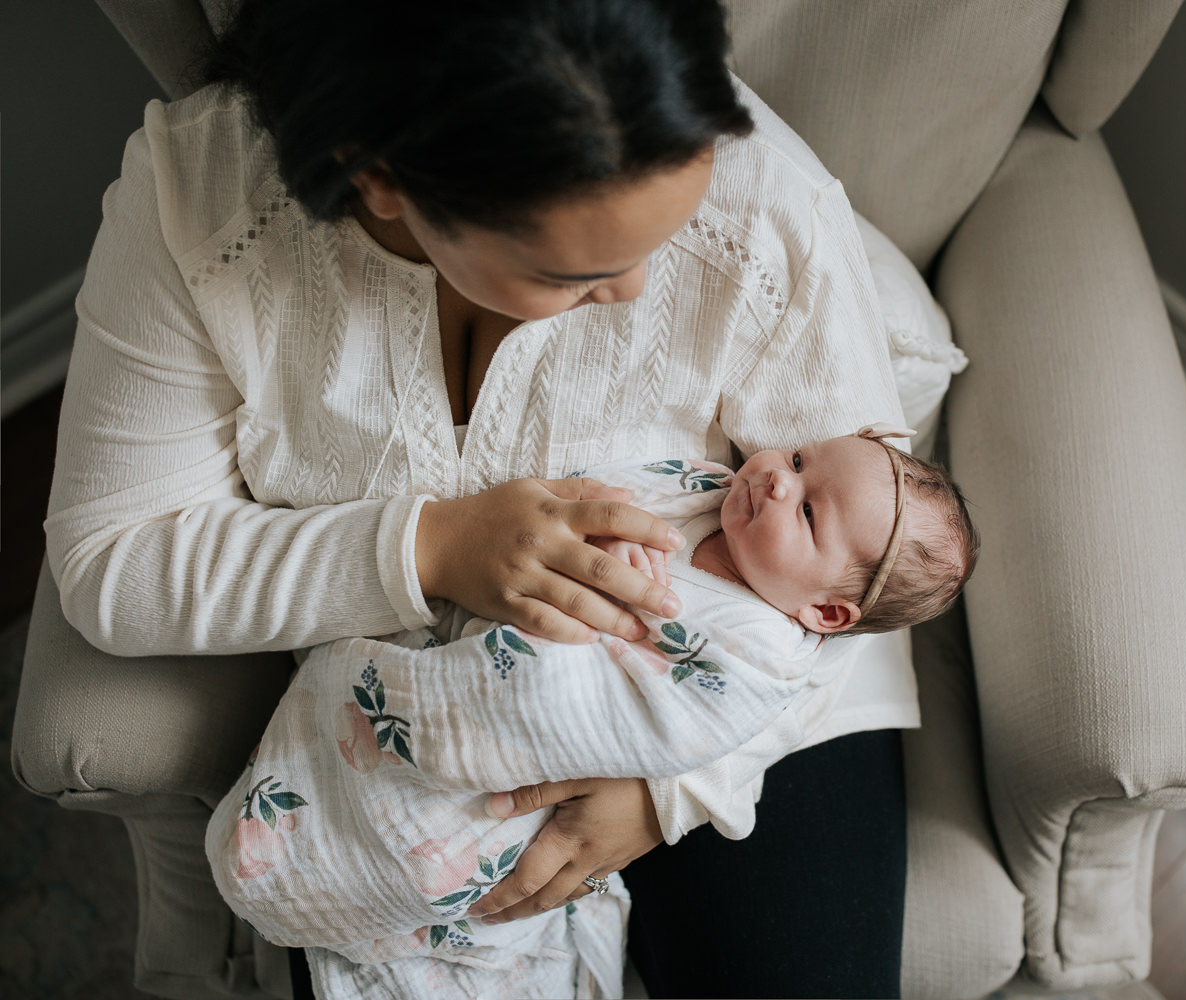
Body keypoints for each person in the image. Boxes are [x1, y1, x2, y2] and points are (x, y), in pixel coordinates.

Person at [45, 1, 935, 995]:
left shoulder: (770, 211)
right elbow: (112, 562)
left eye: (668, 229)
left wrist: (674, 786)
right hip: (419, 725)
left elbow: (860, 557)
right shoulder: (198, 214)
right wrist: (427, 548)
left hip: (737, 685)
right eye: (573, 271)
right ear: (380, 179)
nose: (640, 289)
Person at [204, 426, 978, 999]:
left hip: (514, 737)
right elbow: (583, 495)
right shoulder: (705, 490)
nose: (779, 480)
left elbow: (641, 722)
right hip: (464, 621)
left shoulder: (759, 655)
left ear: (828, 615)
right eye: (801, 458)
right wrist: (598, 528)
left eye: (808, 513)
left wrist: (609, 606)